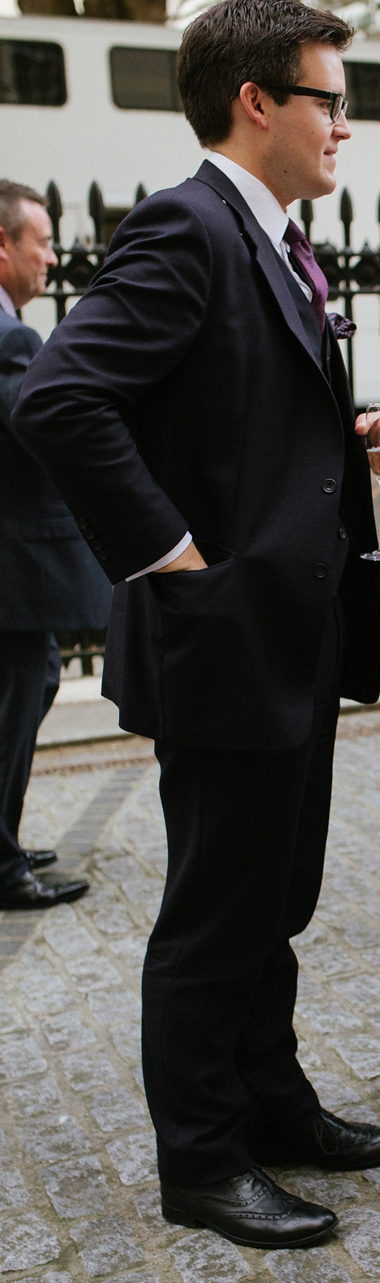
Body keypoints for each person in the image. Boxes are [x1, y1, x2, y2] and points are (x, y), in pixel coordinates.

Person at [14, 0, 380, 1252]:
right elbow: (66, 400)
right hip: (220, 634)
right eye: (330, 99)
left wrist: (338, 447)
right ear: (258, 103)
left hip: (283, 635)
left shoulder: (274, 234)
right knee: (215, 912)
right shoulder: (187, 227)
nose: (345, 124)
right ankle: (201, 1160)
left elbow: (233, 409)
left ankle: (274, 1103)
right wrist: (172, 554)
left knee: (273, 897)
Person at [0, 181, 110, 910]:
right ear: (3, 245)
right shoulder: (11, 334)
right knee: (14, 702)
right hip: (13, 564)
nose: (52, 256)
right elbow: (31, 425)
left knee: (31, 685)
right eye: (40, 240)